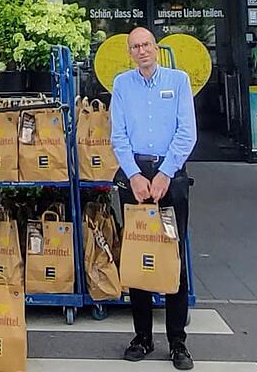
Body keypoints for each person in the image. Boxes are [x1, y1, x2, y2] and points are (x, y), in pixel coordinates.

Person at [110, 27, 197, 370]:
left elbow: (186, 131)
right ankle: (142, 337)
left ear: (156, 48)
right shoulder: (122, 84)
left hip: (170, 177)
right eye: (135, 46)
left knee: (172, 257)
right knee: (139, 255)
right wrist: (134, 175)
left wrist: (164, 174)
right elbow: (118, 135)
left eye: (146, 44)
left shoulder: (177, 81)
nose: (141, 50)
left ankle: (178, 342)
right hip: (135, 178)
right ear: (129, 53)